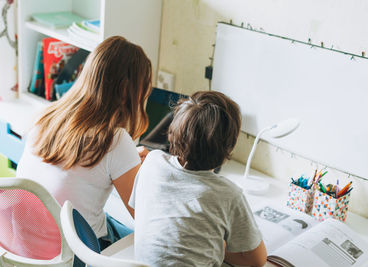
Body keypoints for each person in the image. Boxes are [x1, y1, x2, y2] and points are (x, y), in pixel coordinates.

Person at [16, 36, 152, 259]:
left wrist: (128, 163)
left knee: (113, 221)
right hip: (74, 254)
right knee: (150, 244)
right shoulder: (114, 140)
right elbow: (145, 217)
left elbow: (79, 167)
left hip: (28, 245)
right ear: (130, 90)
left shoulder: (48, 115)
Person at [129, 91, 267, 267]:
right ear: (229, 147)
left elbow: (138, 212)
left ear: (173, 132)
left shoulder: (152, 161)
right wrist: (218, 246)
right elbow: (257, 261)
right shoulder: (229, 194)